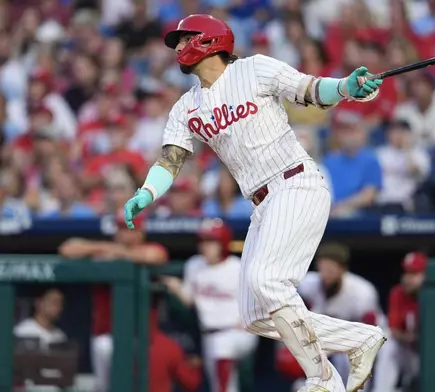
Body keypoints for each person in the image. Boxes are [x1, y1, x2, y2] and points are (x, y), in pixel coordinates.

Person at [122, 14, 386, 392]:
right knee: (253, 314)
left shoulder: (254, 69)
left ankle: (322, 377)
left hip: (295, 184)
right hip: (262, 204)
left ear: (209, 40)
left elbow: (311, 90)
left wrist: (346, 86)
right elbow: (171, 159)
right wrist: (145, 192)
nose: (178, 48)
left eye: (184, 39)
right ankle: (356, 340)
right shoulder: (186, 107)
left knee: (267, 280)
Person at [58, 215, 168, 392]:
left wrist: (119, 254)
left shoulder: (147, 250)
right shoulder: (103, 252)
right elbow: (67, 249)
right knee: (104, 387)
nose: (124, 234)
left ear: (141, 233)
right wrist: (103, 248)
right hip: (103, 334)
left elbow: (156, 255)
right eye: (121, 229)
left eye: (130, 229)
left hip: (138, 338)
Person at [162, 219, 258, 392]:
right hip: (210, 335)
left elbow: (259, 299)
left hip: (237, 332)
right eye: (203, 241)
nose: (205, 246)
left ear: (222, 243)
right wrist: (177, 288)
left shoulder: (237, 267)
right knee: (220, 383)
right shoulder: (194, 265)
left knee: (222, 362)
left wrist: (249, 319)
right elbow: (190, 300)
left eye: (211, 241)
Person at [371, 252, 435, 392]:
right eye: (406, 273)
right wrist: (412, 338)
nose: (408, 278)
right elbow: (395, 330)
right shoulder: (398, 293)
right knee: (388, 342)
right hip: (414, 355)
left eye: (414, 273)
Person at [296, 242, 384, 387]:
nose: (326, 274)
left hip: (363, 339)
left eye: (331, 269)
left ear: (343, 269)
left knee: (353, 366)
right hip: (328, 340)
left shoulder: (362, 292)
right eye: (323, 268)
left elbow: (369, 333)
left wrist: (341, 347)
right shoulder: (307, 285)